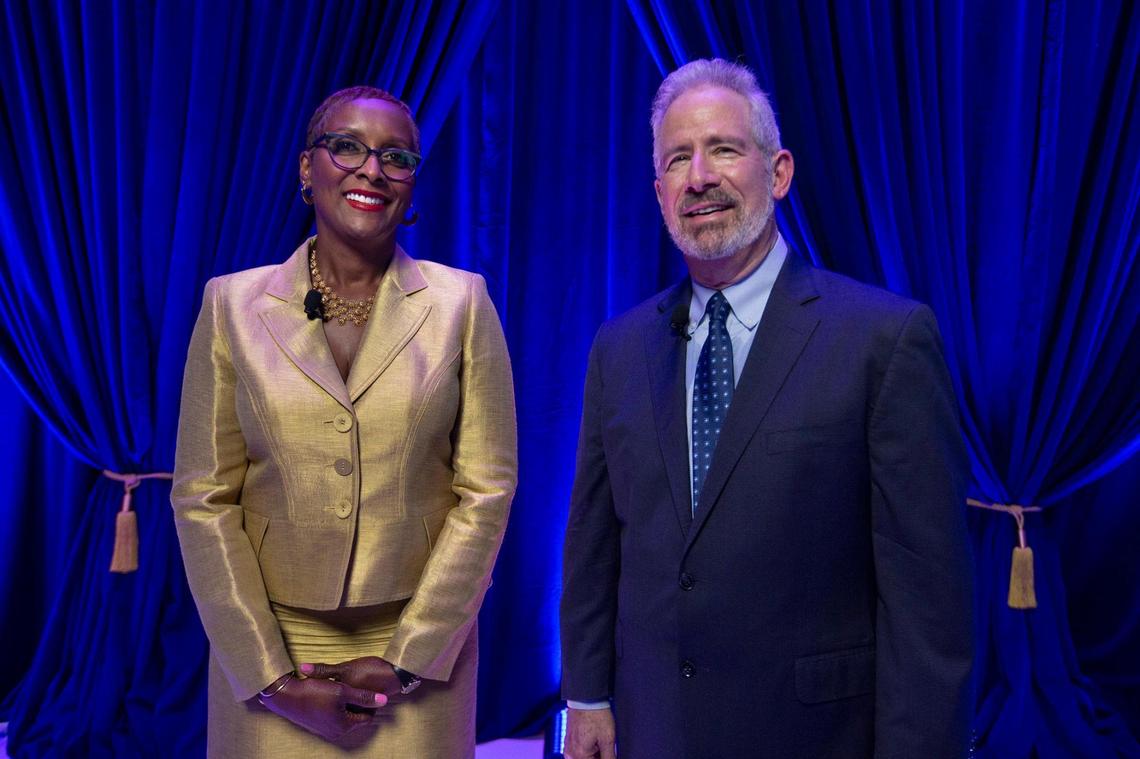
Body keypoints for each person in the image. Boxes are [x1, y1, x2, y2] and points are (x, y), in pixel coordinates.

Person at [560, 59, 974, 759]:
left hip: (816, 736)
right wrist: (587, 693)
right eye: (677, 159)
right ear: (659, 190)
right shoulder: (618, 348)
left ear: (778, 172)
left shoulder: (885, 339)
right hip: (654, 730)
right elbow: (595, 545)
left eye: (723, 148)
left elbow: (927, 601)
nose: (699, 177)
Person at [171, 85, 517, 757]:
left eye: (397, 156)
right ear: (308, 168)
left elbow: (488, 491)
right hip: (273, 652)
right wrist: (269, 677)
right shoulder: (231, 307)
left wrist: (410, 660)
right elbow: (201, 498)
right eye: (348, 146)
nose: (372, 169)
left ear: (413, 182)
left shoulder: (462, 305)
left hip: (418, 655)